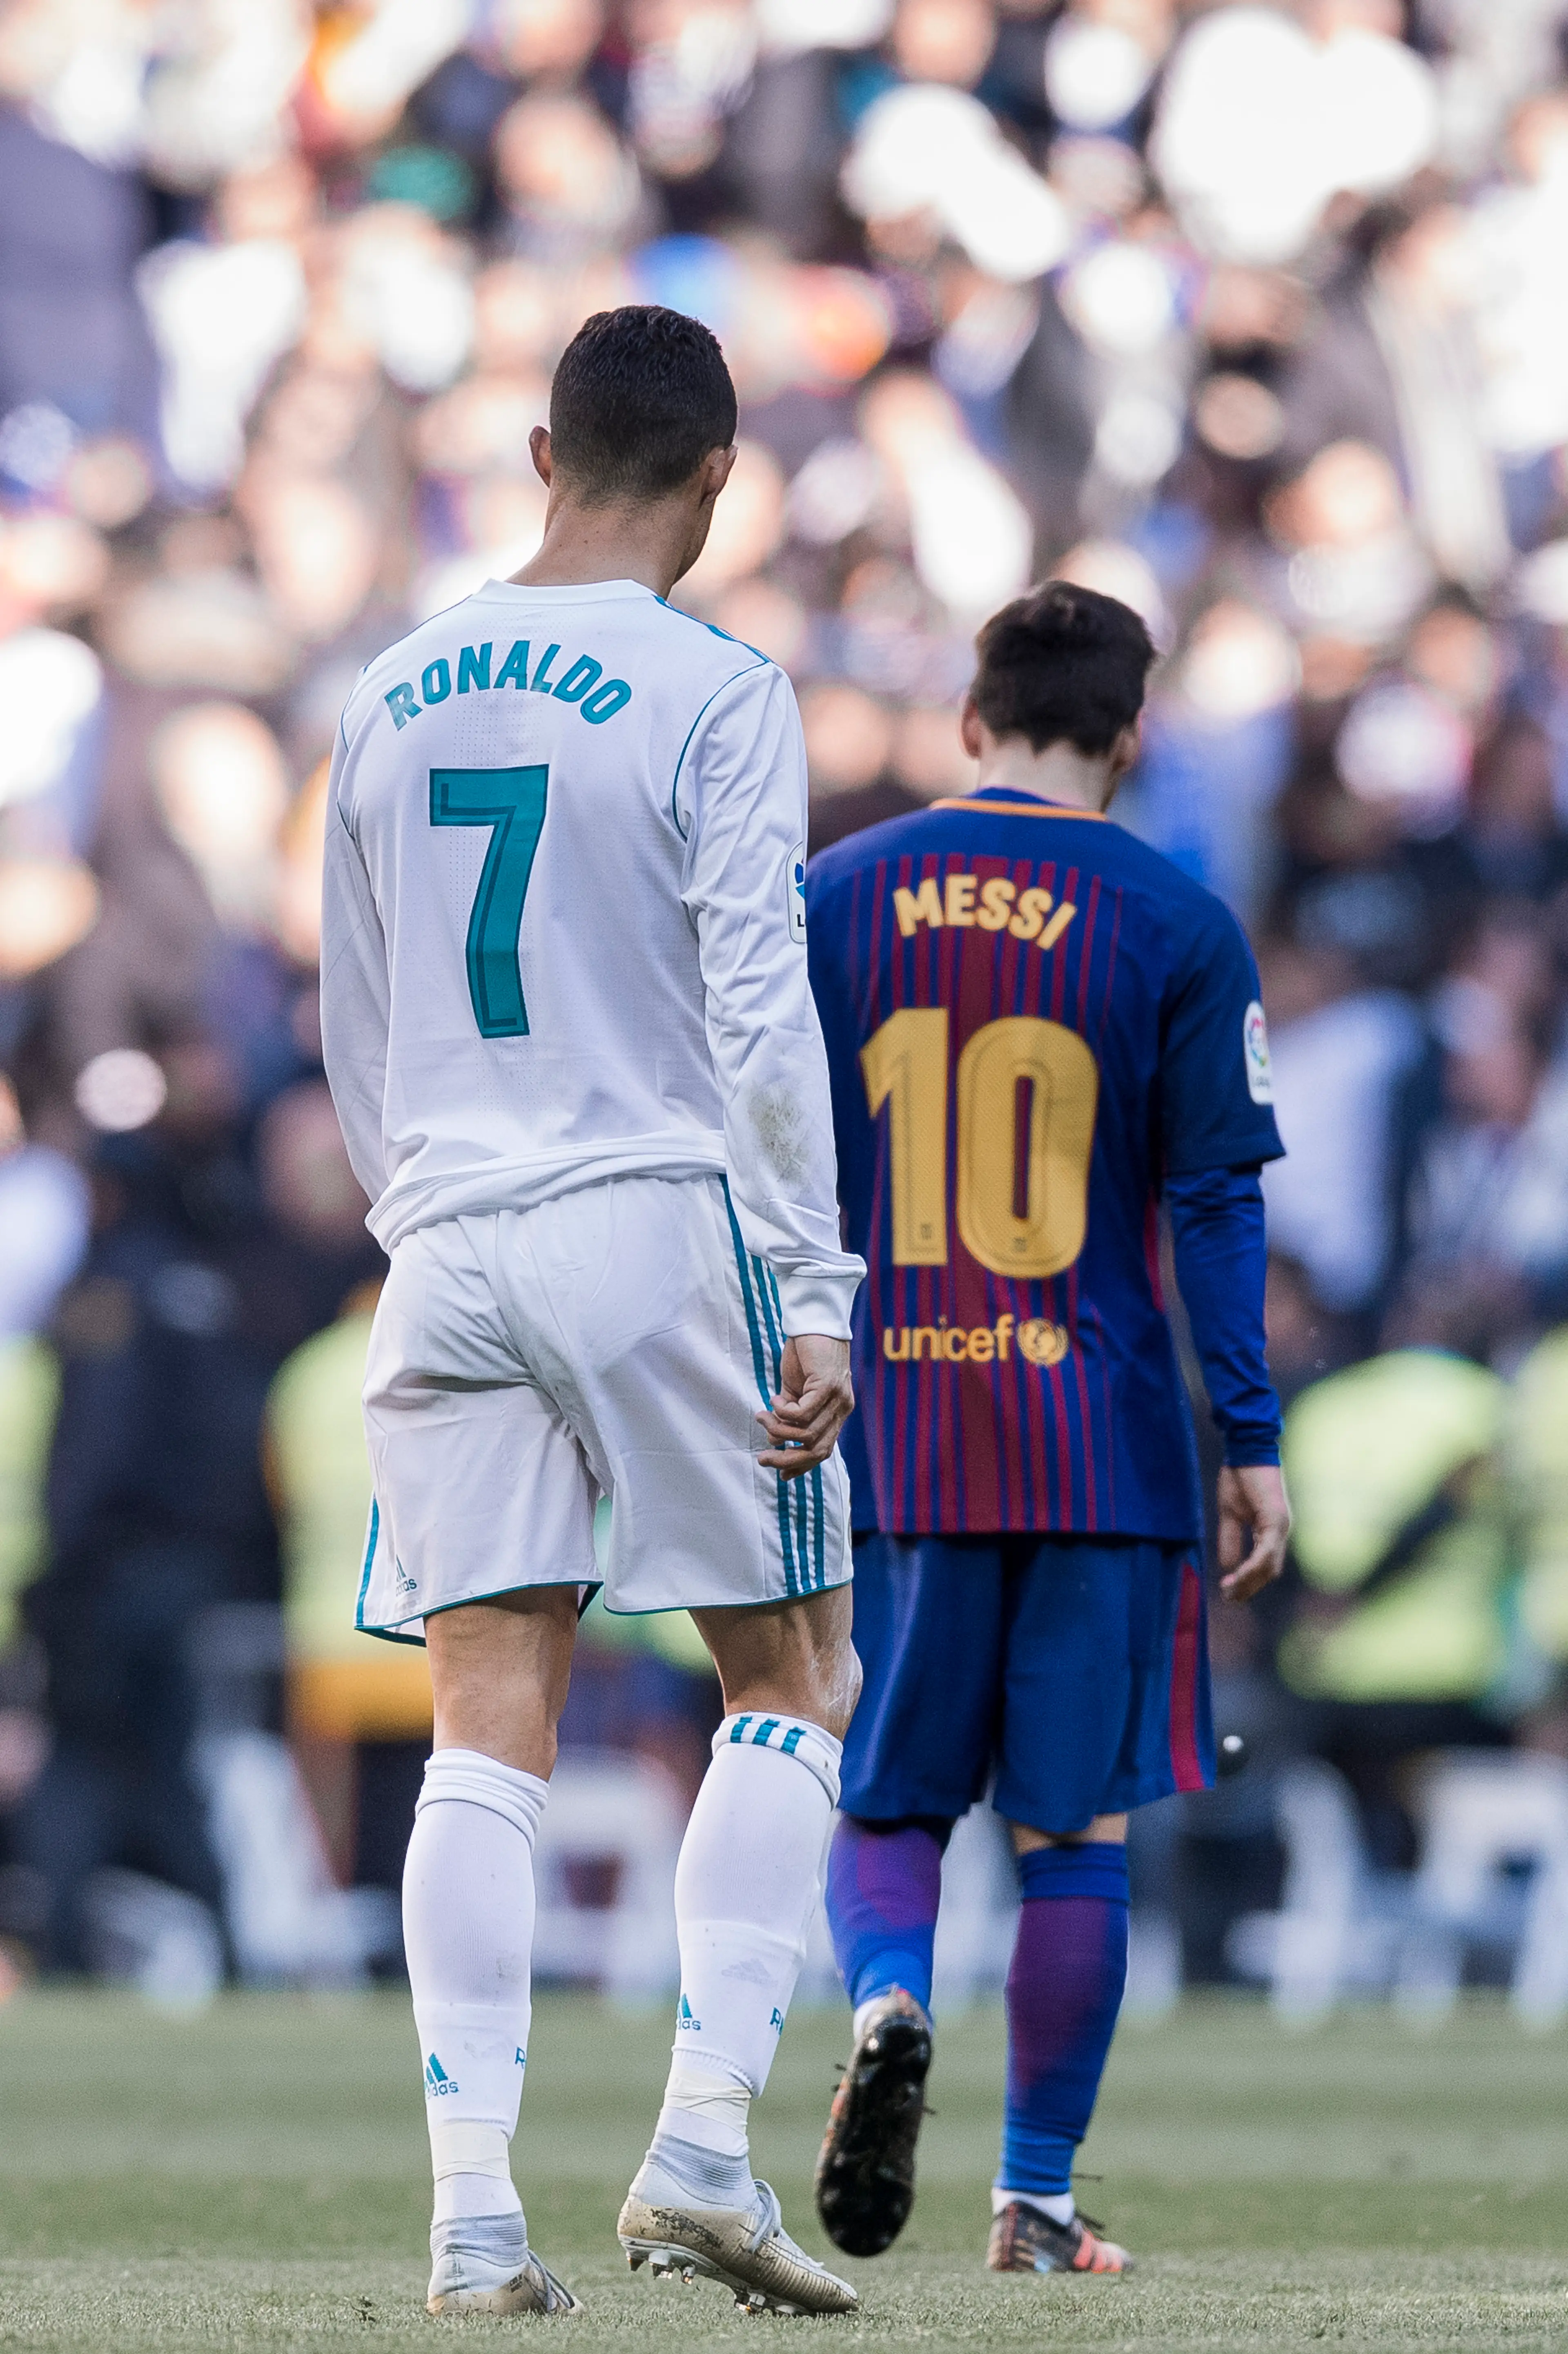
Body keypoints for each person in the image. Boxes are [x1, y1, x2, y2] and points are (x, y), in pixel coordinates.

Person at [319, 305, 865, 2320]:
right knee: (794, 1676)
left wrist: (429, 1212)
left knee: (486, 1731)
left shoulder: (386, 693)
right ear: (720, 478)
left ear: (538, 453)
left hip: (446, 1232)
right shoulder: (718, 686)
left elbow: (352, 1025)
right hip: (651, 1209)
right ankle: (705, 2148)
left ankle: (475, 2218)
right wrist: (816, 1277)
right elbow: (759, 1008)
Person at [804, 581, 1292, 2278]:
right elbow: (1216, 1202)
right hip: (1098, 1437)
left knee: (883, 1805)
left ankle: (883, 1998)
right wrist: (1252, 1434)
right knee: (1070, 1830)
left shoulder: (835, 899)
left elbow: (765, 1164)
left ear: (967, 723)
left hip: (896, 1430)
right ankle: (1031, 2195)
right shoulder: (1175, 918)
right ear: (1132, 736)